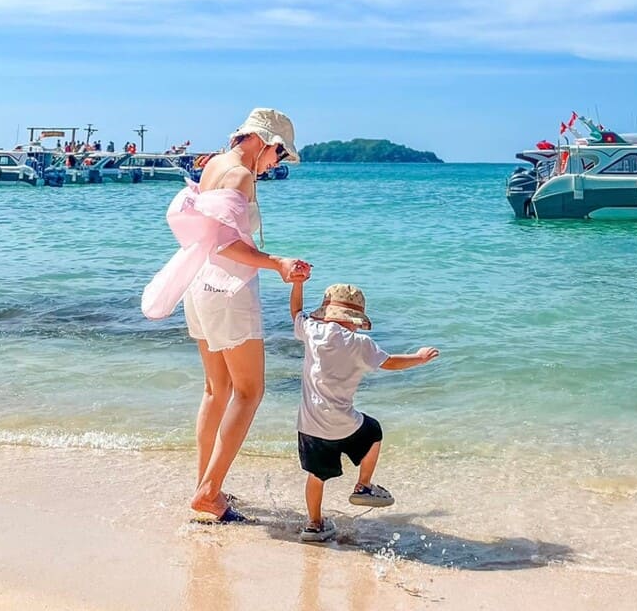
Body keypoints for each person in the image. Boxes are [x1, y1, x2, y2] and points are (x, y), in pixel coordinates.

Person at [141, 108, 311, 522]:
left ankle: (205, 487)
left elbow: (208, 237)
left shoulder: (215, 164)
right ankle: (209, 493)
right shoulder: (240, 175)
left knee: (216, 390)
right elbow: (224, 245)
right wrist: (278, 263)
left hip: (199, 287)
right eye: (279, 155)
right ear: (263, 141)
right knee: (250, 392)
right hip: (228, 291)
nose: (276, 164)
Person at [290, 281, 439, 542]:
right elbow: (389, 362)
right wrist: (419, 357)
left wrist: (298, 283)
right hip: (344, 424)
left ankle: (314, 525)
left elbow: (296, 311)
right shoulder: (361, 344)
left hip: (310, 426)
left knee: (316, 476)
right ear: (356, 319)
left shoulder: (312, 331)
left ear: (326, 313)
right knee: (373, 431)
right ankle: (364, 485)